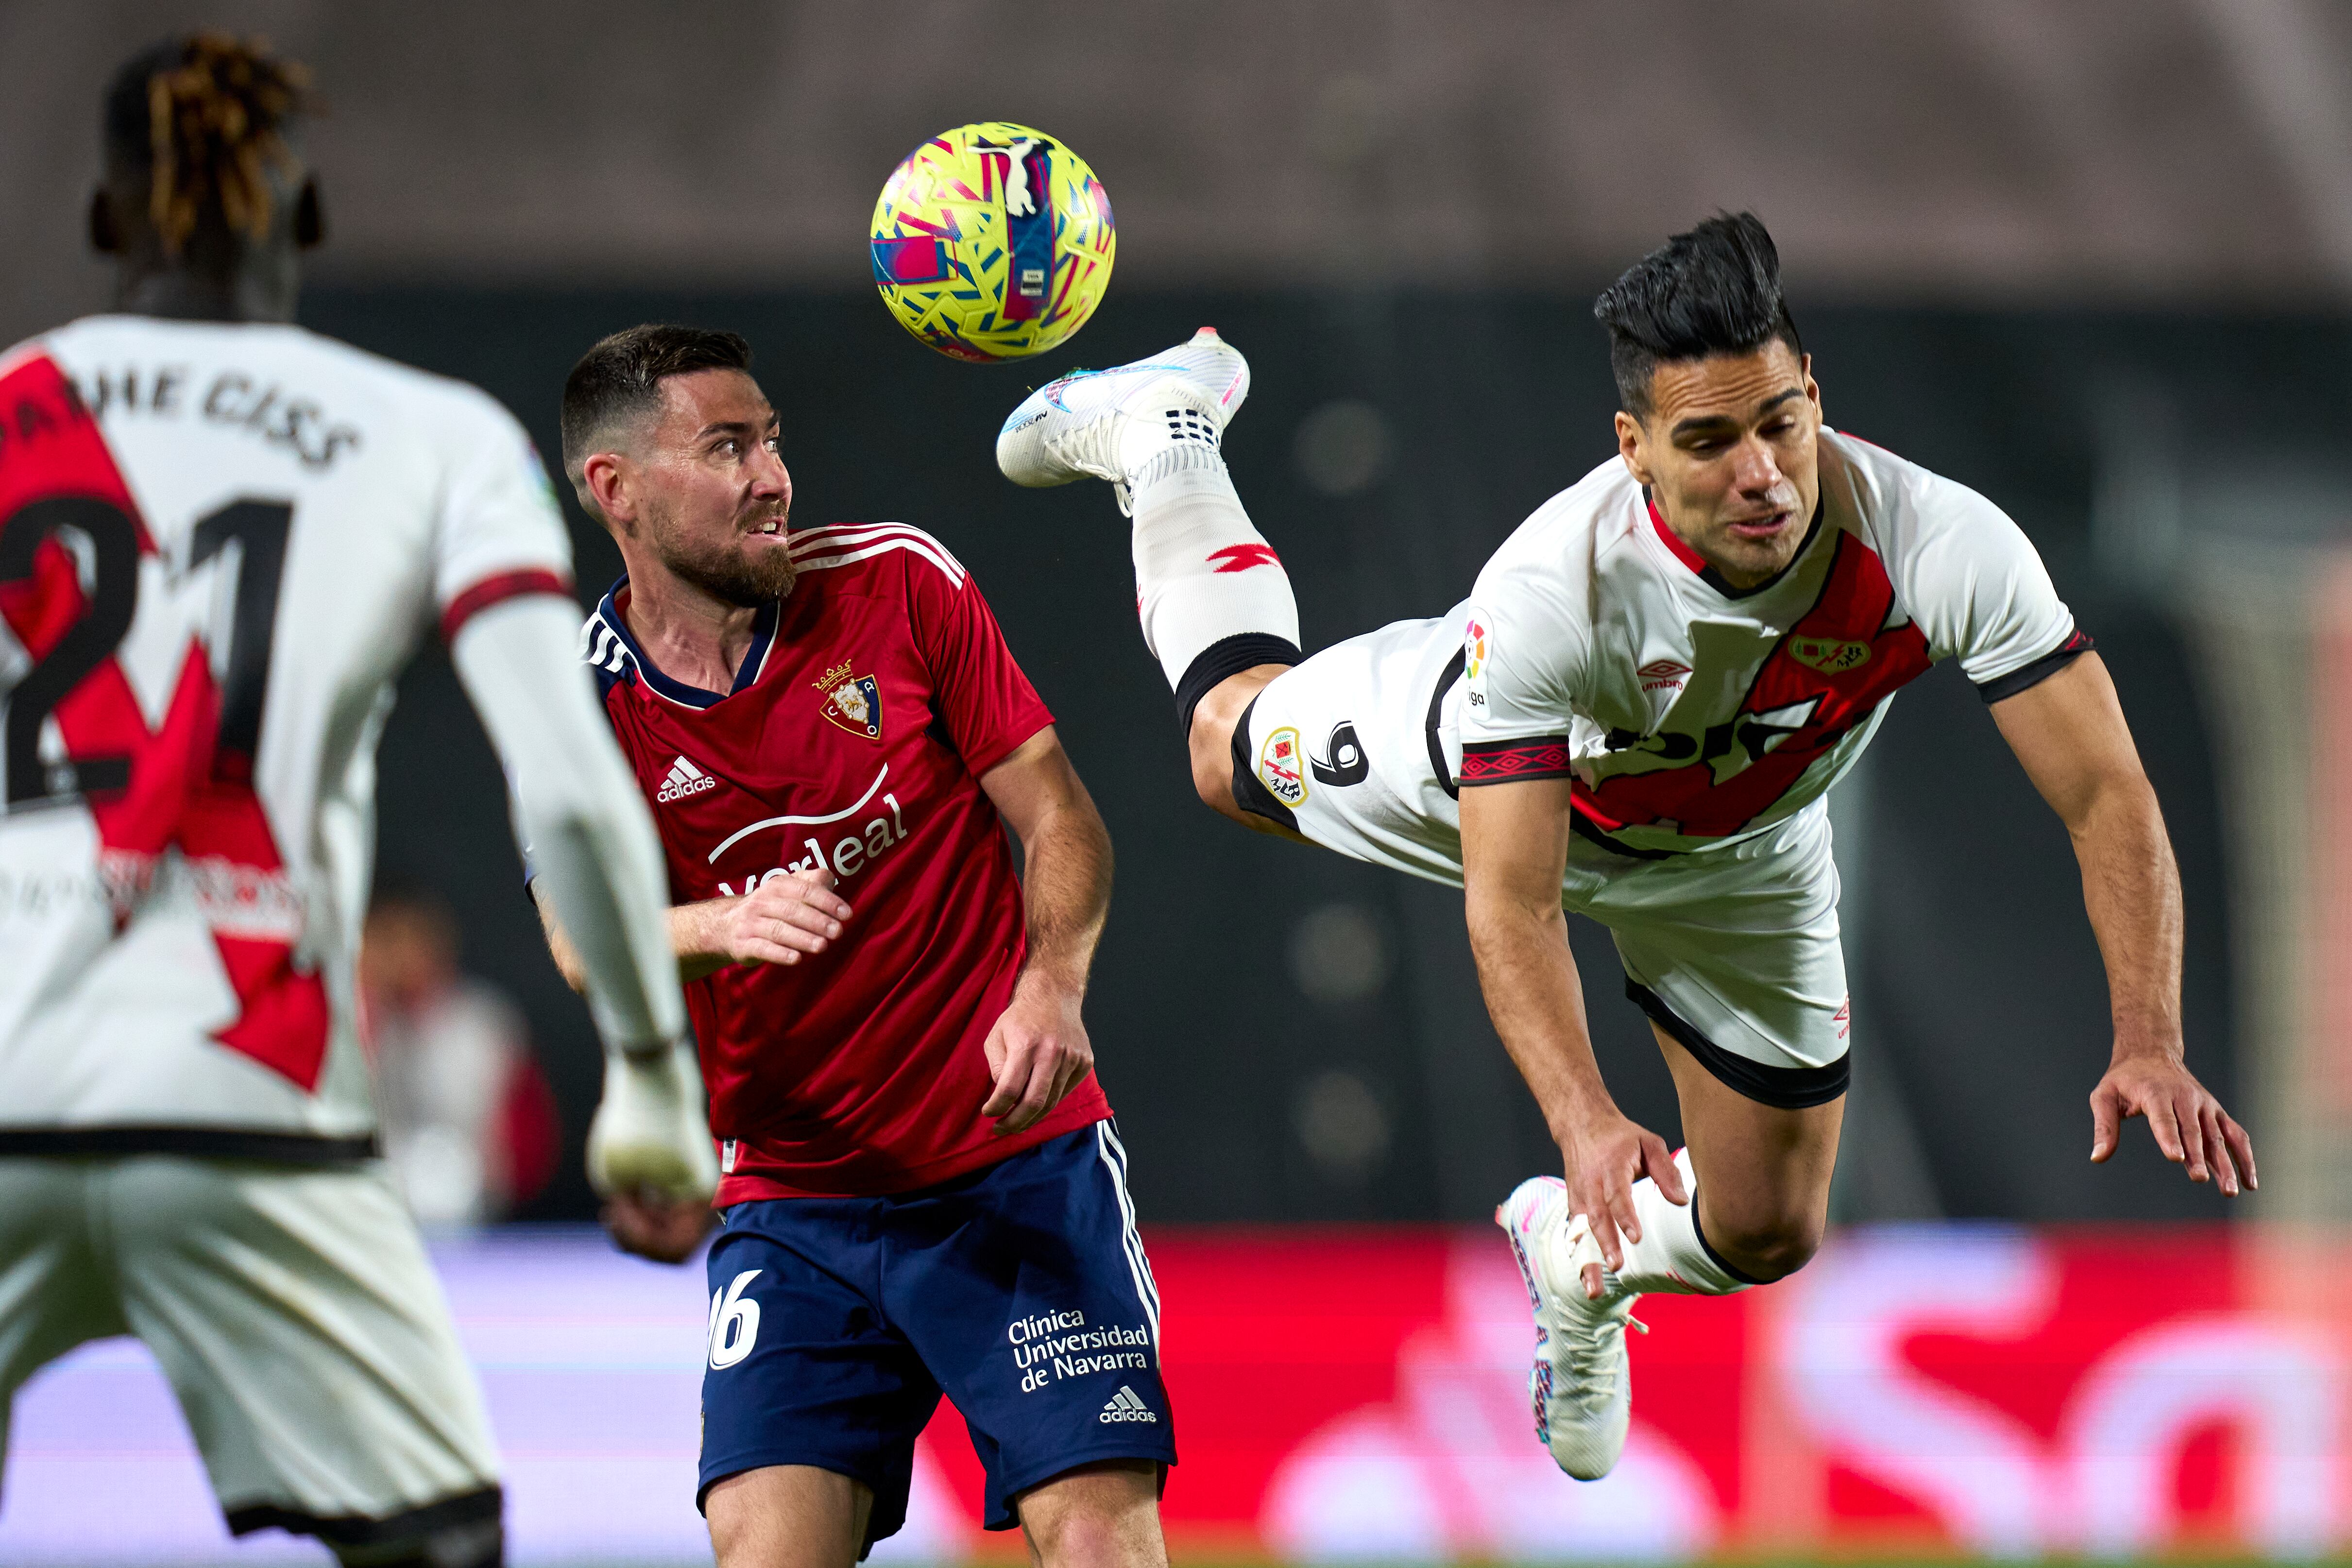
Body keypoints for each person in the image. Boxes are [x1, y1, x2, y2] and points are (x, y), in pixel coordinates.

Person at [993, 213, 2255, 1482]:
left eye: (1778, 422)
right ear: (1635, 449)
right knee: (1222, 748)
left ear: (1814, 398)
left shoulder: (1939, 541)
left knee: (1769, 1230)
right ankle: (1167, 432)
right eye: (1708, 440)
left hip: (1743, 855)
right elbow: (1514, 905)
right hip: (1482, 784)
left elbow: (2106, 793)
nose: (1759, 471)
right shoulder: (1558, 591)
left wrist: (2148, 1034)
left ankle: (1577, 1256)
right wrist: (1586, 1121)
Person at [0, 35, 715, 1568]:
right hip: (252, 1110)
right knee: (439, 1542)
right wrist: (652, 1077)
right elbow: (574, 791)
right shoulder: (433, 435)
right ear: (305, 216)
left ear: (110, 221)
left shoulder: (9, 407)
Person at [536, 324, 1172, 1568]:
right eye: (727, 448)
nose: (772, 475)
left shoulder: (898, 584)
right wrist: (723, 922)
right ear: (615, 488)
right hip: (795, 1199)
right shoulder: (575, 700)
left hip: (1009, 1165)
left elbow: (1060, 820)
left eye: (770, 439)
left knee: (1097, 1544)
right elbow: (576, 943)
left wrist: (1052, 984)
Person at [360, 886, 561, 1227]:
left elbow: (531, 1154)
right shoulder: (354, 1023)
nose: (402, 956)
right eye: (388, 940)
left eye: (412, 939)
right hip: (372, 1216)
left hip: (480, 1223)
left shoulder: (486, 1024)